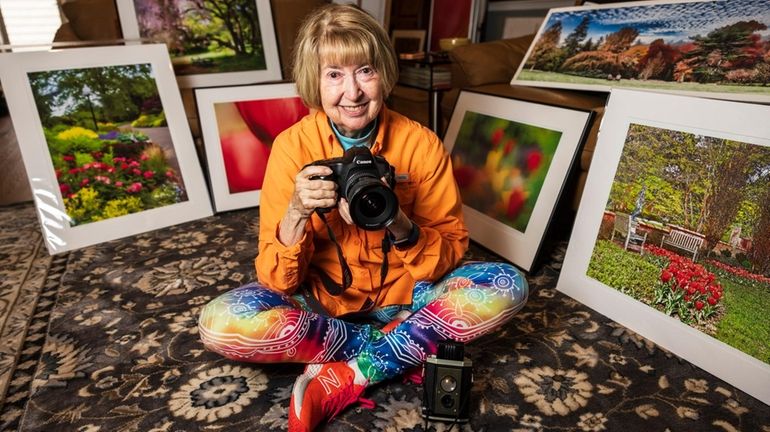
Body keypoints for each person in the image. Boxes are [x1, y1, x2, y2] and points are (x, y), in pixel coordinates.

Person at [197, 4, 528, 431]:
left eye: (365, 71)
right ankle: (404, 344)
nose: (352, 92)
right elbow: (277, 281)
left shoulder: (420, 144)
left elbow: (447, 258)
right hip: (325, 305)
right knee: (221, 323)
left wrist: (398, 220)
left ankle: (351, 374)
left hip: (409, 296)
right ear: (314, 81)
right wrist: (297, 211)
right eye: (334, 74)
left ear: (384, 73)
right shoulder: (292, 147)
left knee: (508, 285)